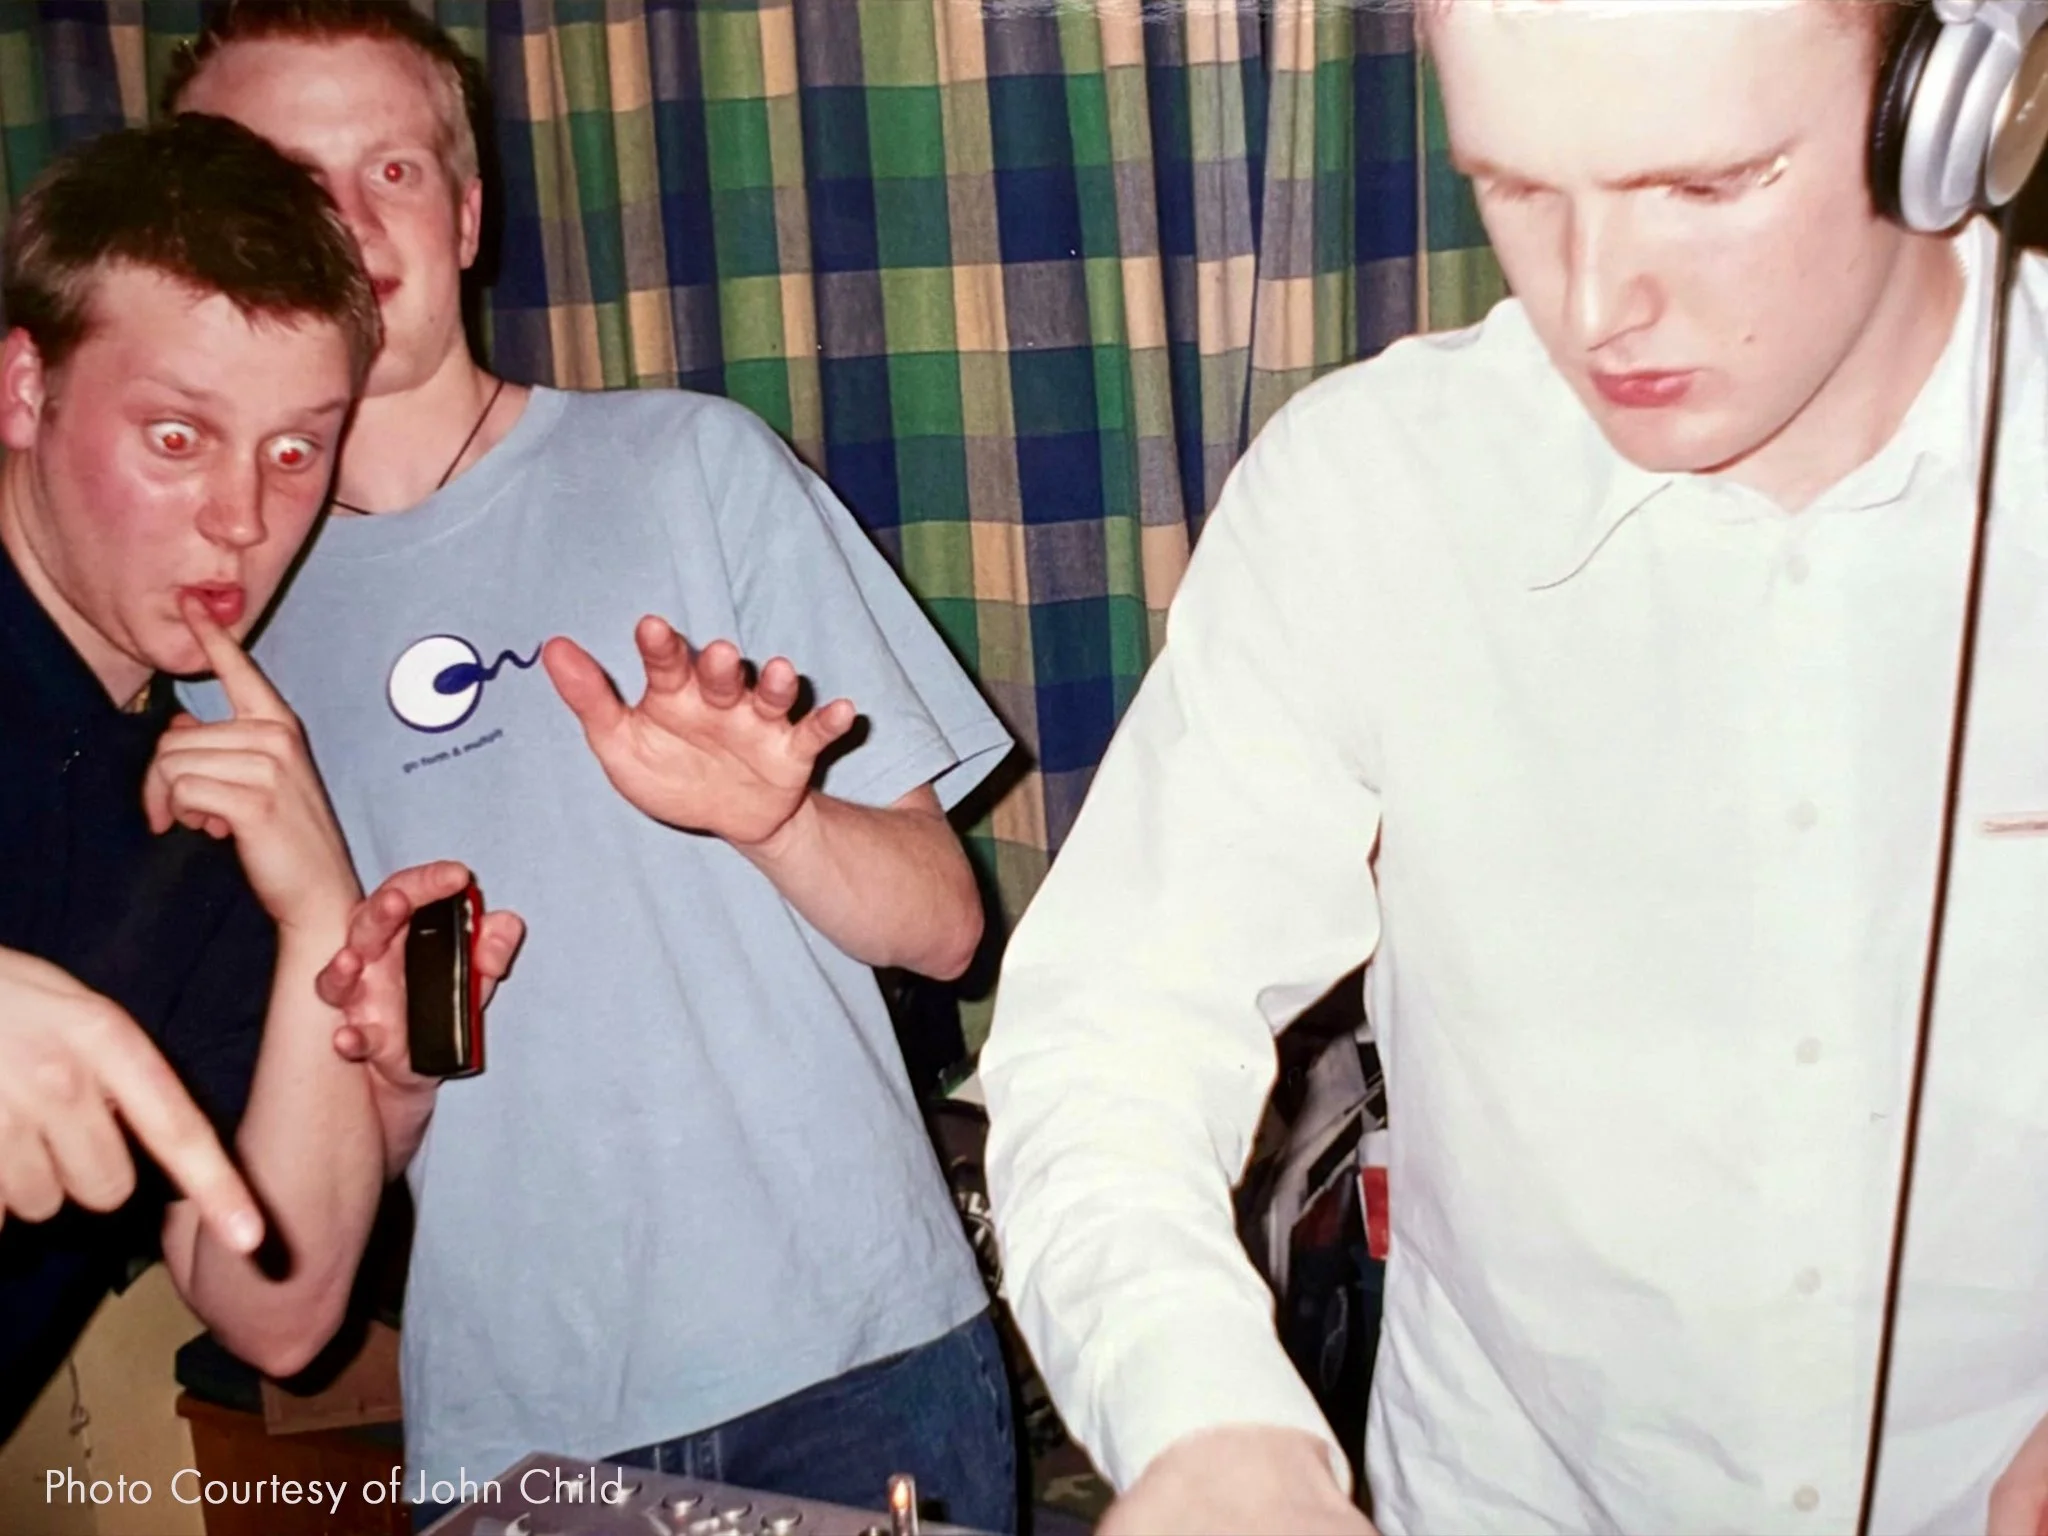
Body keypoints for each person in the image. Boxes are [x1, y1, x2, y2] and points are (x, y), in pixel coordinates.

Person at [979, 1, 2048, 1532]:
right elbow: (1109, 1035)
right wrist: (1211, 1425)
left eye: (1708, 185)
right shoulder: (1368, 491)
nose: (1597, 303)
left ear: (1957, 105)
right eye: (1518, 190)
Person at [166, 4, 1019, 1528]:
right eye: (288, 182)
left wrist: (782, 823)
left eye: (394, 171)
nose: (351, 223)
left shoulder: (694, 465)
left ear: (470, 210)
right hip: (510, 1435)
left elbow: (948, 924)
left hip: (856, 1362)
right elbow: (290, 1213)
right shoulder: (204, 643)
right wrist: (394, 1075)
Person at [0, 113, 523, 1438]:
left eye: (296, 450)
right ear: (24, 390)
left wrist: (310, 916)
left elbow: (280, 1311)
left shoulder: (214, 784)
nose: (245, 515)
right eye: (177, 437)